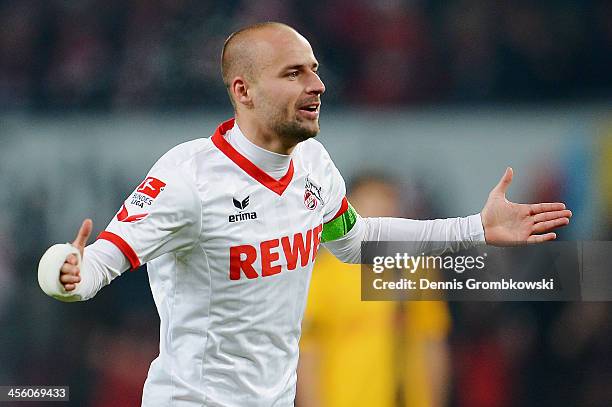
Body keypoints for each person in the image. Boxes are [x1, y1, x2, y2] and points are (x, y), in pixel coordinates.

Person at [37, 22, 572, 407]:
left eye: (315, 71)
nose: (317, 85)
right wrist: (69, 274)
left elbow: (356, 242)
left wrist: (475, 229)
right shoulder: (187, 178)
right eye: (294, 73)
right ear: (242, 90)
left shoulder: (313, 164)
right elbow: (101, 262)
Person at [297, 173, 452, 407]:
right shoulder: (322, 274)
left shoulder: (416, 270)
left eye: (389, 202)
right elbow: (308, 356)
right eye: (371, 202)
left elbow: (432, 344)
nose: (381, 211)